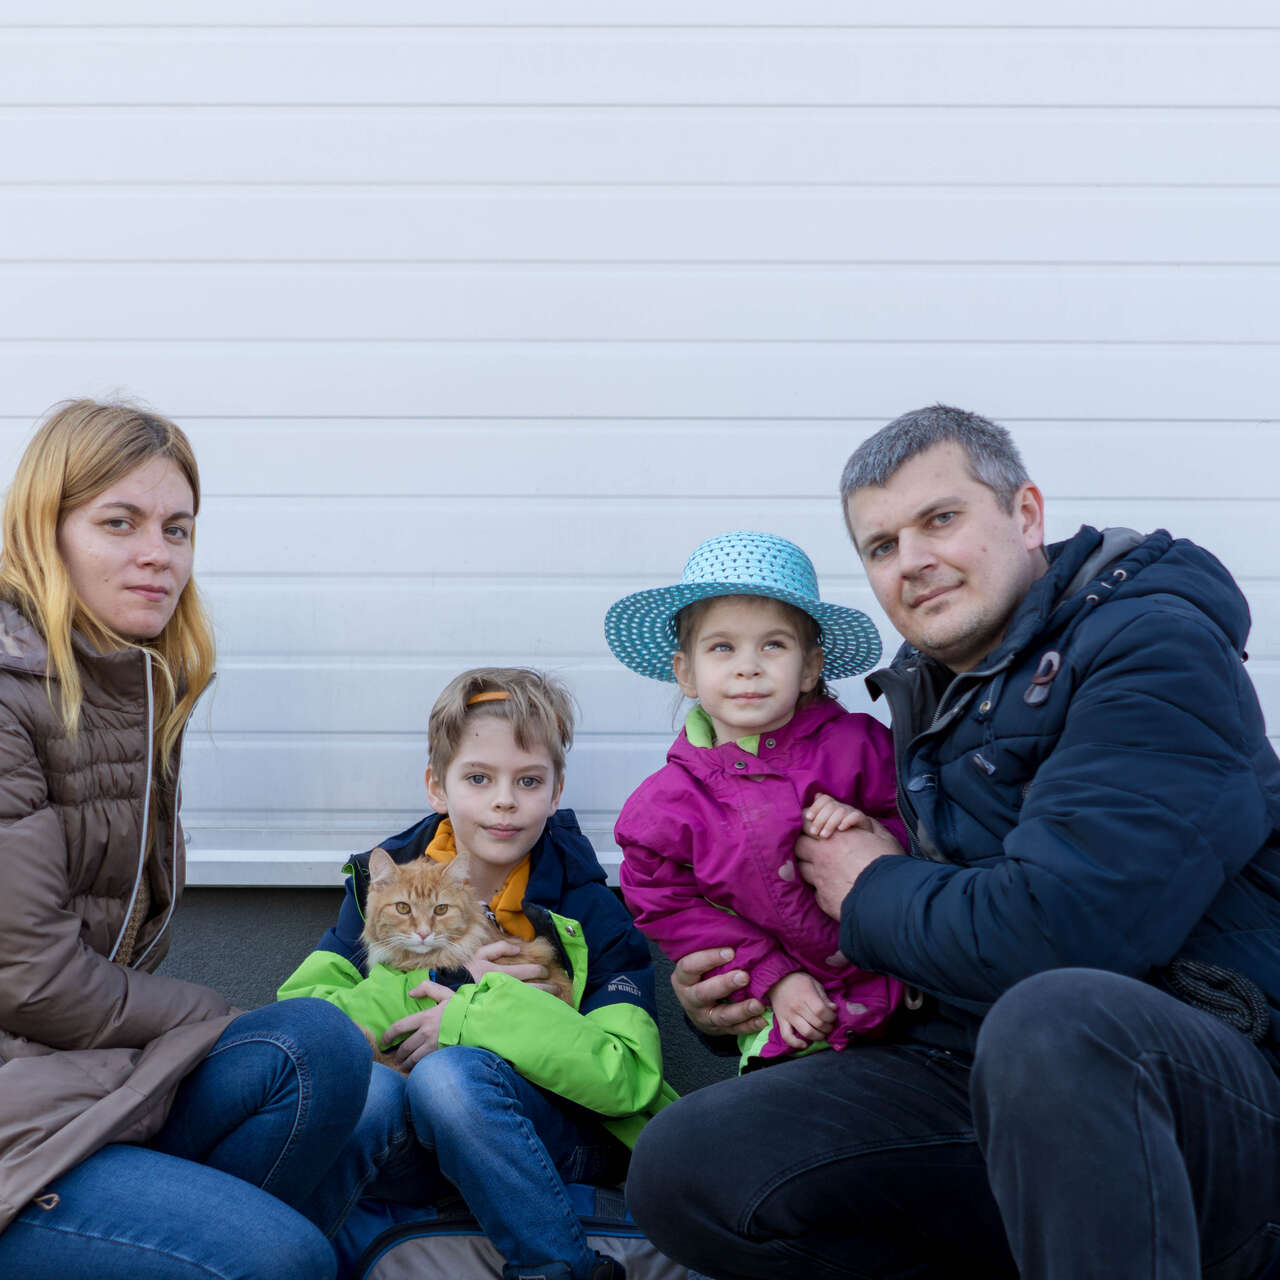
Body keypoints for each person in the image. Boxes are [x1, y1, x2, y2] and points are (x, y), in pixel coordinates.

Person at [625, 404, 1280, 1280]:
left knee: (1057, 1017)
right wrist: (746, 978)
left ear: (1026, 514)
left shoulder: (1150, 646)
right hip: (970, 1072)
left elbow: (1064, 928)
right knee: (690, 1166)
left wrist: (866, 886)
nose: (914, 561)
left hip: (1190, 1096)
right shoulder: (925, 697)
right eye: (883, 546)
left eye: (940, 519)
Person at [0, 400, 374, 1280]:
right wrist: (217, 1017)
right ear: (40, 530)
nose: (157, 554)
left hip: (78, 1080)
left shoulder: (124, 683)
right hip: (20, 1119)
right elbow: (32, 979)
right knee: (283, 1256)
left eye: (178, 528)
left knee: (319, 1048)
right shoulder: (10, 693)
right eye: (118, 523)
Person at [280, 666, 675, 1280]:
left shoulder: (591, 910)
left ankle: (559, 1268)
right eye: (478, 778)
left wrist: (477, 1017)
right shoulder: (381, 886)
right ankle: (289, 1262)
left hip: (555, 1136)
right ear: (438, 787)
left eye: (528, 781)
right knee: (371, 1092)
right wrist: (418, 972)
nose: (504, 801)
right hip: (414, 1140)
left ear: (556, 788)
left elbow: (627, 1079)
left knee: (450, 1076)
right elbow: (306, 1014)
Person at [607, 530, 907, 1064]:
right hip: (784, 1031)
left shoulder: (859, 746)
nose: (749, 665)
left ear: (810, 667)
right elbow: (669, 907)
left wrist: (876, 831)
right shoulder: (665, 808)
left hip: (903, 1004)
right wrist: (773, 976)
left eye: (774, 644)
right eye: (722, 647)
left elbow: (927, 825)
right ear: (686, 672)